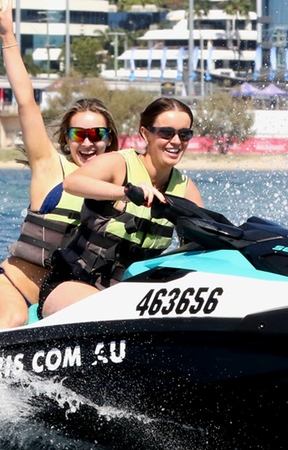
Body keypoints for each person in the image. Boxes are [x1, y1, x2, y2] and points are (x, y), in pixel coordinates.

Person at [0, 0, 119, 332]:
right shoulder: (50, 169)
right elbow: (26, 101)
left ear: (109, 139)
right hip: (11, 288)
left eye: (96, 133)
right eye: (78, 134)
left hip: (60, 303)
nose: (87, 142)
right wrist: (7, 36)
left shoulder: (120, 188)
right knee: (14, 318)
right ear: (67, 139)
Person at [39, 97, 204, 318]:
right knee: (105, 312)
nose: (176, 141)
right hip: (72, 282)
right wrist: (126, 192)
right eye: (166, 133)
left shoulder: (186, 189)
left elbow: (198, 246)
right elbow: (73, 183)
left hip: (129, 298)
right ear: (145, 134)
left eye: (184, 135)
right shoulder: (119, 164)